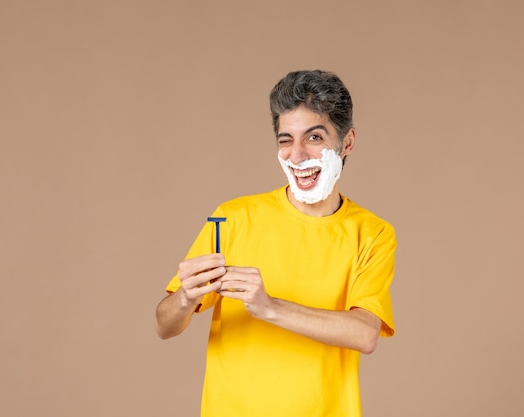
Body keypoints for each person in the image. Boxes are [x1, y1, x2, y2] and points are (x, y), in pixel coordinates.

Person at [155, 69, 396, 417]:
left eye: (314, 137)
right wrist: (185, 296)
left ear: (347, 142)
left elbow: (364, 334)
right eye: (286, 140)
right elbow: (164, 325)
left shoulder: (371, 233)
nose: (296, 156)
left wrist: (269, 307)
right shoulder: (232, 218)